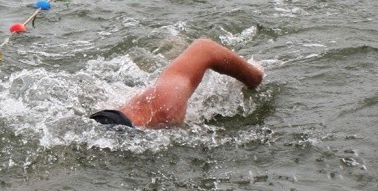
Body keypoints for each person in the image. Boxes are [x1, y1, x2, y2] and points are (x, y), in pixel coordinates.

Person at [90, 39, 263, 129]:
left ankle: (174, 48)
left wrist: (254, 76)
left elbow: (205, 49)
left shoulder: (163, 107)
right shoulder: (163, 118)